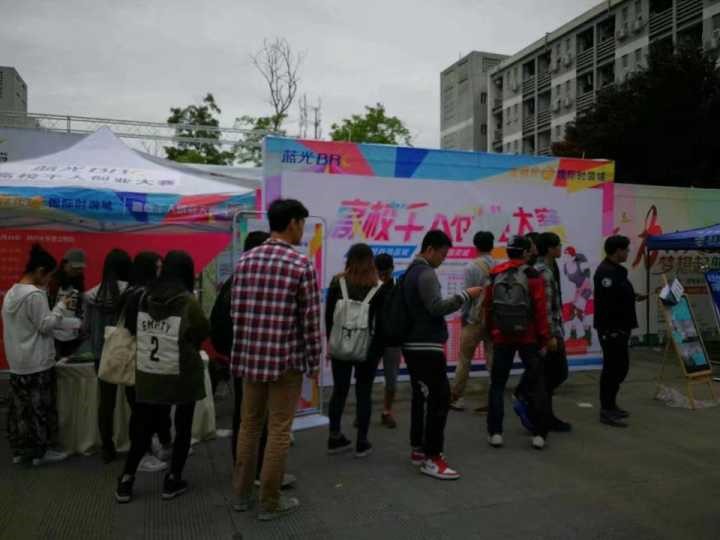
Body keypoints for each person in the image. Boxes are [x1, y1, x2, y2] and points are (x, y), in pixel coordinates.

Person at [231, 199, 322, 521]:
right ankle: (270, 502)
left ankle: (241, 495)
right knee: (279, 430)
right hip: (285, 361)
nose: (303, 231)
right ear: (293, 223)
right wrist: (315, 362)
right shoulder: (300, 265)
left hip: (250, 359)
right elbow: (311, 321)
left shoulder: (245, 261)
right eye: (302, 224)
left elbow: (236, 312)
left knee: (249, 426)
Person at [115, 251, 210, 503]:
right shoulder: (188, 301)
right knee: (183, 426)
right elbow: (202, 330)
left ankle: (126, 480)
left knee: (143, 428)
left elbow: (133, 328)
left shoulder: (144, 297)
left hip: (150, 371)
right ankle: (173, 479)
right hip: (181, 373)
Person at [210, 230, 296, 488]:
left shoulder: (235, 279)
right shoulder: (260, 281)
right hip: (263, 359)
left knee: (246, 418)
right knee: (266, 419)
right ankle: (261, 476)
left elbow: (217, 322)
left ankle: (244, 473)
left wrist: (229, 353)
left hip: (241, 358)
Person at [402, 230, 483, 480]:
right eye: (442, 254)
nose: (443, 259)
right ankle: (432, 457)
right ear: (430, 249)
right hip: (426, 346)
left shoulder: (410, 272)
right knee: (439, 399)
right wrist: (465, 295)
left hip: (413, 344)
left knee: (421, 397)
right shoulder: (426, 273)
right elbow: (436, 307)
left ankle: (419, 449)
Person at [2, 244, 74, 466]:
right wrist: (61, 306)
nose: (49, 280)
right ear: (40, 271)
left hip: (17, 362)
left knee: (20, 410)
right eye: (49, 275)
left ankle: (21, 450)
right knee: (41, 408)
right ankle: (42, 452)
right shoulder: (35, 295)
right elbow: (45, 326)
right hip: (37, 361)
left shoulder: (11, 293)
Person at [485, 235, 551, 450]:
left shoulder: (495, 273)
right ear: (524, 253)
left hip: (502, 336)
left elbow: (488, 306)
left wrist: (492, 331)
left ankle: (496, 432)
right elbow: (540, 310)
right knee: (537, 383)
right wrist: (544, 338)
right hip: (528, 337)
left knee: (497, 384)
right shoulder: (533, 276)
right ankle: (539, 434)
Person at [326, 244, 387, 457]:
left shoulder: (337, 282)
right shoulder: (378, 287)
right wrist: (377, 350)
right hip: (367, 349)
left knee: (339, 391)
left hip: (340, 345)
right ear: (371, 261)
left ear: (349, 259)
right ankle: (362, 441)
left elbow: (329, 317)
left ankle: (334, 437)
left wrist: (331, 342)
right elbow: (382, 325)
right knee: (363, 392)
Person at [120, 251, 173, 472]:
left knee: (142, 410)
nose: (160, 272)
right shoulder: (142, 295)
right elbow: (139, 328)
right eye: (157, 267)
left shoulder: (130, 292)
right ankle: (142, 455)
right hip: (143, 359)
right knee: (143, 412)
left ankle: (146, 450)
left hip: (138, 358)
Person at [515, 233, 571, 432]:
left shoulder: (541, 268)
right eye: (558, 245)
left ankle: (541, 413)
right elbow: (545, 307)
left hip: (541, 331)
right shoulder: (544, 272)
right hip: (548, 332)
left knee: (546, 376)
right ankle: (532, 405)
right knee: (556, 373)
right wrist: (551, 335)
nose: (561, 248)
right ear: (549, 249)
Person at [84, 249, 133, 464]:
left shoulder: (92, 295)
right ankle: (139, 443)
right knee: (135, 400)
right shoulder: (131, 293)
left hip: (101, 354)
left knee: (106, 402)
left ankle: (107, 447)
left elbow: (85, 328)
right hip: (127, 352)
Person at [594, 235, 646, 428]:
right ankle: (606, 410)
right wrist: (612, 330)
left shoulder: (617, 271)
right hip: (612, 329)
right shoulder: (605, 273)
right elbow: (608, 303)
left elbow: (619, 294)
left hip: (622, 327)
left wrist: (634, 296)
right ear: (618, 251)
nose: (628, 253)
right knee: (612, 369)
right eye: (626, 250)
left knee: (620, 368)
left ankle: (611, 405)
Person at [450, 231, 495, 413]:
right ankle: (494, 399)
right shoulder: (499, 266)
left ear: (475, 246)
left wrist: (464, 317)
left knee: (464, 359)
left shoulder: (471, 267)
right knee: (493, 360)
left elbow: (467, 296)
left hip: (474, 319)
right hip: (493, 319)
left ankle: (457, 398)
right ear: (492, 246)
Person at [374, 253, 400, 429]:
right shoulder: (370, 286)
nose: (383, 276)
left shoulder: (399, 287)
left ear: (392, 270)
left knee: (392, 380)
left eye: (386, 273)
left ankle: (386, 412)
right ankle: (362, 412)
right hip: (372, 340)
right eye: (380, 273)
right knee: (365, 379)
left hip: (393, 341)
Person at [48, 248, 87, 359]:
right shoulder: (53, 282)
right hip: (53, 336)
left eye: (80, 268)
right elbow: (47, 311)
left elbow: (80, 308)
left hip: (72, 336)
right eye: (75, 267)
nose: (78, 270)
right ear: (65, 264)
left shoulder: (79, 284)